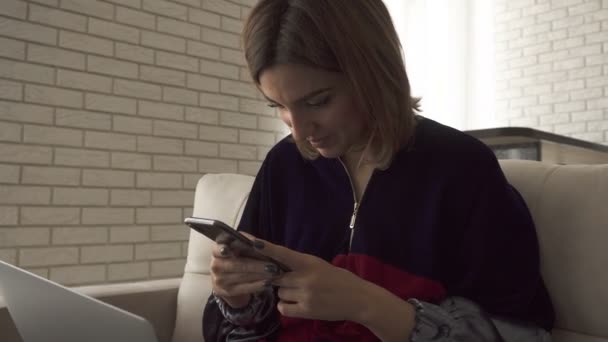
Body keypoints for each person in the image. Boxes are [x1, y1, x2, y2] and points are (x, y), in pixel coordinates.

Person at [203, 0, 555, 341]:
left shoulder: (462, 168)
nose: (298, 131)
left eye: (318, 101)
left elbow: (521, 332)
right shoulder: (284, 165)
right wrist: (237, 299)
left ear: (373, 72)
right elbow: (248, 327)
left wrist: (366, 304)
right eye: (278, 105)